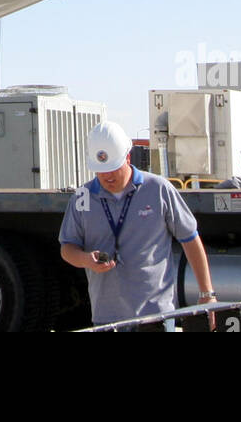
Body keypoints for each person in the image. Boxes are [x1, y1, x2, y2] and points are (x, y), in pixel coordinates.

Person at [60, 120, 217, 330]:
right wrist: (85, 260)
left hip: (156, 317)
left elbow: (190, 238)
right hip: (107, 319)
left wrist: (207, 294)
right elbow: (67, 248)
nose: (107, 176)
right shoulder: (82, 197)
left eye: (113, 168)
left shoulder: (159, 189)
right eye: (100, 170)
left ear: (127, 156)